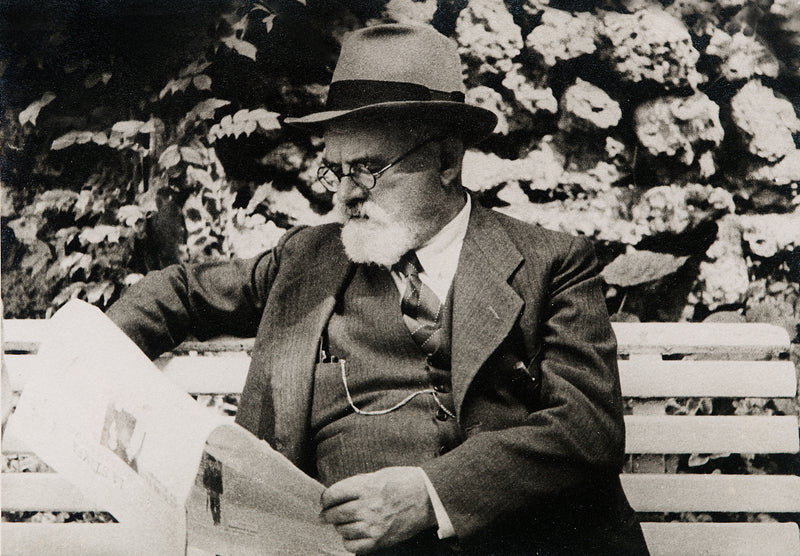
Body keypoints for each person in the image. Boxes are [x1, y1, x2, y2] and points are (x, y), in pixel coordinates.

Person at [107, 24, 648, 555]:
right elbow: (180, 291)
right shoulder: (307, 260)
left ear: (446, 160)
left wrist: (430, 495)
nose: (346, 194)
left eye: (367, 169)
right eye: (336, 171)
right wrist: (89, 359)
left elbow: (587, 427)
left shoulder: (551, 264)